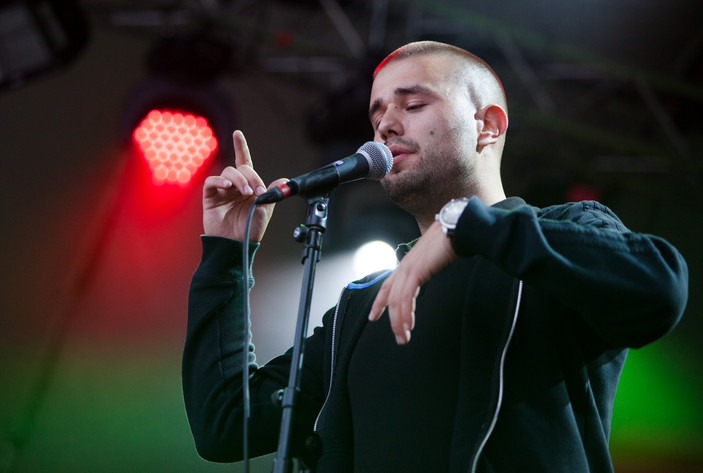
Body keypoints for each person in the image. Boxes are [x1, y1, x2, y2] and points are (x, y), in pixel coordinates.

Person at [182, 41, 688, 473]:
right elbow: (227, 424)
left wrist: (469, 225)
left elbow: (659, 288)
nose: (383, 126)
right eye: (377, 113)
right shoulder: (361, 306)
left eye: (413, 104)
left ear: (487, 125)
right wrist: (227, 254)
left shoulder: (565, 236)